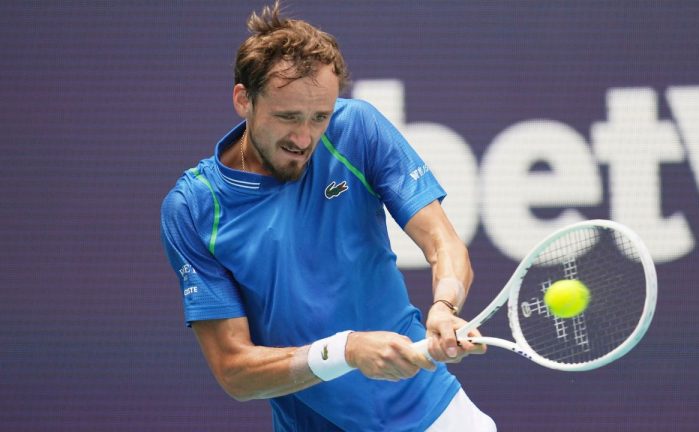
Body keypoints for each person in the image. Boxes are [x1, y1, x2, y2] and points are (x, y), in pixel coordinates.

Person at [161, 2, 496, 430]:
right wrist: (346, 351)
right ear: (243, 100)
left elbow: (442, 242)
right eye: (288, 118)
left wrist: (445, 306)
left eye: (319, 117)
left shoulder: (357, 129)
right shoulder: (193, 207)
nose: (304, 138)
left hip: (435, 414)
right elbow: (235, 371)